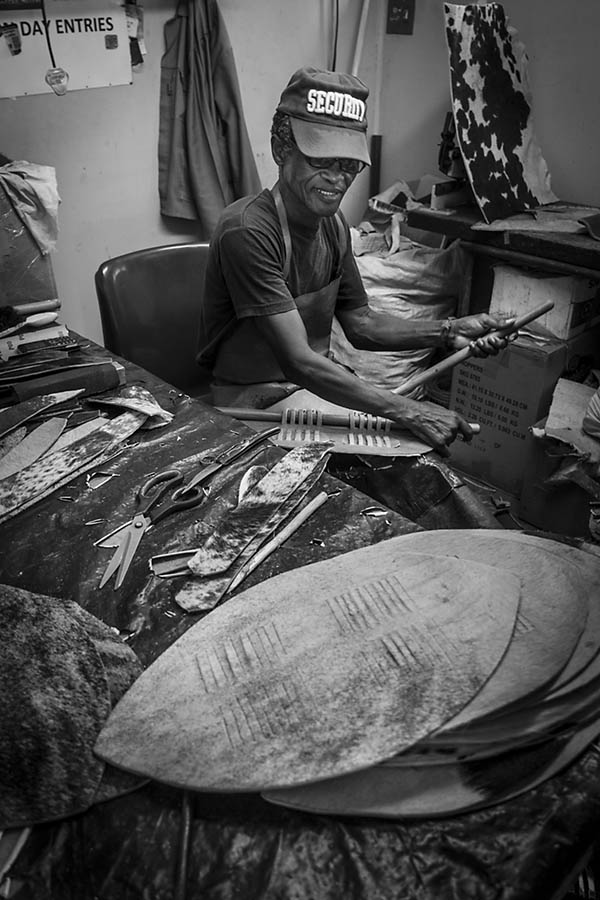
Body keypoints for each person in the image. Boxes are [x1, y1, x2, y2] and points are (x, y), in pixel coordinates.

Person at [197, 66, 513, 457]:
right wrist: (410, 410)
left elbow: (362, 325)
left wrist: (449, 331)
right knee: (395, 452)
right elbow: (299, 361)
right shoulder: (247, 231)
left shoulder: (332, 225)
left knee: (413, 454)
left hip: (310, 389)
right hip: (251, 401)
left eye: (348, 165)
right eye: (320, 160)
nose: (337, 179)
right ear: (282, 150)